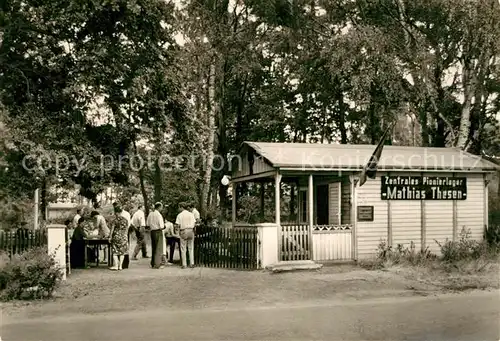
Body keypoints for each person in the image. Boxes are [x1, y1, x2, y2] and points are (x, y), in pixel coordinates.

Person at [175, 202, 196, 269]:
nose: (178, 209)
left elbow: (177, 225)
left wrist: (177, 233)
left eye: (179, 207)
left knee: (183, 248)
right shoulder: (191, 214)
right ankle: (192, 263)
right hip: (191, 231)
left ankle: (184, 264)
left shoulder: (179, 215)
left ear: (181, 207)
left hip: (183, 231)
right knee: (191, 247)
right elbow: (194, 224)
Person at [108, 205, 129, 271]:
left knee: (115, 252)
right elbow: (126, 229)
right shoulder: (125, 220)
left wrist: (110, 237)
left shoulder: (114, 221)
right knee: (122, 252)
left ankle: (116, 266)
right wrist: (125, 236)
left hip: (116, 237)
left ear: (116, 212)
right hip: (124, 237)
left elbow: (112, 230)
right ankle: (120, 266)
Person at [146, 202, 166, 269]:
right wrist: (165, 226)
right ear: (159, 207)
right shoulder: (159, 215)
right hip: (158, 231)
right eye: (161, 207)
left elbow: (147, 224)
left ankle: (153, 262)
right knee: (159, 248)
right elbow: (161, 226)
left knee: (154, 247)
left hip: (152, 232)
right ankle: (158, 263)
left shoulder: (150, 214)